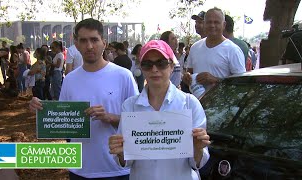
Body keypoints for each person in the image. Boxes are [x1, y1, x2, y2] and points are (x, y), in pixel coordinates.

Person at [29, 18, 139, 180]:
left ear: (104, 42)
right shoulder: (70, 79)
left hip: (117, 169)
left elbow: (138, 122)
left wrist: (109, 117)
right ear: (76, 44)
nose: (89, 46)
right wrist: (41, 109)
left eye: (94, 39)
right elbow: (64, 122)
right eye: (83, 40)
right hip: (80, 169)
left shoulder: (123, 76)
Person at [108, 40, 211, 180]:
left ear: (171, 66)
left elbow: (196, 163)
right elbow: (127, 162)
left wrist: (197, 148)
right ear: (141, 67)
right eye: (147, 64)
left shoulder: (189, 103)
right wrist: (120, 152)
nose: (154, 69)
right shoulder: (130, 106)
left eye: (161, 63)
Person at [184, 8, 245, 91]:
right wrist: (187, 76)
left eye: (216, 22)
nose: (212, 25)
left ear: (224, 25)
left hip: (221, 102)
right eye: (209, 22)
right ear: (204, 24)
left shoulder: (233, 50)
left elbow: (241, 83)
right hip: (197, 102)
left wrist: (215, 80)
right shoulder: (195, 47)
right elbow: (190, 71)